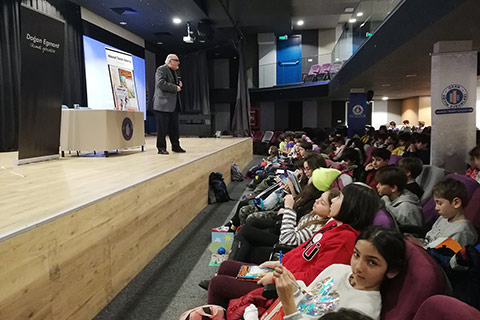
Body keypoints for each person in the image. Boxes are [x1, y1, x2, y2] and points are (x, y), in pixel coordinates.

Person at [213, 183, 380, 313]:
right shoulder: (332, 225)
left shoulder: (345, 239)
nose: (334, 200)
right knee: (226, 264)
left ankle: (214, 311)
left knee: (217, 283)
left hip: (285, 286)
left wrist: (276, 278)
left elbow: (316, 279)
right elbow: (299, 252)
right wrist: (278, 266)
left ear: (350, 206)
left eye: (339, 198)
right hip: (282, 270)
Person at [271, 226, 406, 320]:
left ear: (391, 271)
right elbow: (307, 300)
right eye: (356, 255)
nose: (358, 267)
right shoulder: (338, 269)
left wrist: (288, 301)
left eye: (372, 263)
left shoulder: (364, 311)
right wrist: (293, 287)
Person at [408, 178, 478, 248]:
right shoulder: (444, 217)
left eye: (440, 203)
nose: (436, 208)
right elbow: (428, 239)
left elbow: (445, 257)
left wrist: (421, 246)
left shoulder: (462, 232)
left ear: (456, 203)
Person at [153, 53, 186, 155]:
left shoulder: (174, 72)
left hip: (173, 105)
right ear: (170, 61)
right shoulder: (161, 69)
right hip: (162, 105)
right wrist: (175, 87)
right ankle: (161, 148)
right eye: (176, 60)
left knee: (174, 128)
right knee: (162, 129)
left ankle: (175, 146)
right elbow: (161, 83)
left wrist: (178, 84)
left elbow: (171, 83)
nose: (178, 62)